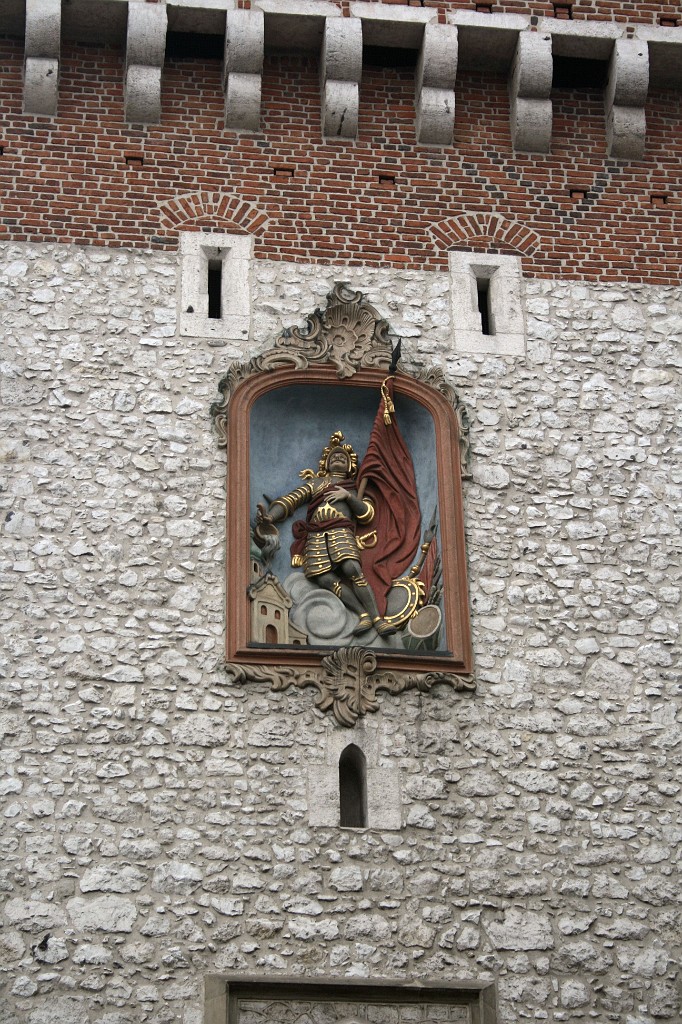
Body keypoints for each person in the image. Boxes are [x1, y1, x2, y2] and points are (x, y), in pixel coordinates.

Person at [255, 432, 396, 637]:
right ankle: (362, 614)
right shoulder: (316, 484)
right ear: (326, 463)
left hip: (340, 532)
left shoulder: (355, 487)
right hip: (316, 537)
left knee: (352, 569)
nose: (338, 458)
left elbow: (367, 514)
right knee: (323, 578)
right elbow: (291, 500)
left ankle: (377, 619)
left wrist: (348, 497)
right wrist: (270, 517)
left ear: (350, 465)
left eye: (343, 457)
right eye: (334, 456)